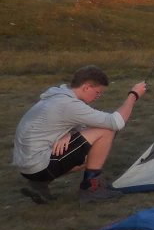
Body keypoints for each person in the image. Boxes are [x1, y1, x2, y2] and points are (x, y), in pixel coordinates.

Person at [13, 66, 147, 203]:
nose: (97, 97)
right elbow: (115, 123)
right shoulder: (70, 105)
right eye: (97, 92)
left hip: (27, 165)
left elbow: (82, 126)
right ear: (86, 87)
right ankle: (90, 189)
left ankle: (38, 185)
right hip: (38, 166)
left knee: (93, 151)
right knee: (106, 131)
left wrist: (70, 132)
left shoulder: (58, 96)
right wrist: (133, 95)